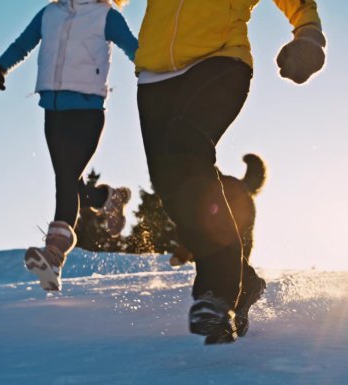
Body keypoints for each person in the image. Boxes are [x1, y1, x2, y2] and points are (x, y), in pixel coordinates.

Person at [134, 0, 326, 344]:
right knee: (171, 187)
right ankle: (244, 281)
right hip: (155, 76)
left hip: (221, 59)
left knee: (187, 144)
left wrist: (308, 34)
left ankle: (217, 294)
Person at [0, 0, 138, 292]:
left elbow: (135, 49)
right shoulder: (49, 14)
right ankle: (108, 198)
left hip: (87, 111)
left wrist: (159, 71)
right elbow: (23, 44)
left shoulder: (106, 15)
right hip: (53, 112)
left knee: (65, 179)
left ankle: (54, 254)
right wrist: (0, 67)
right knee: (69, 179)